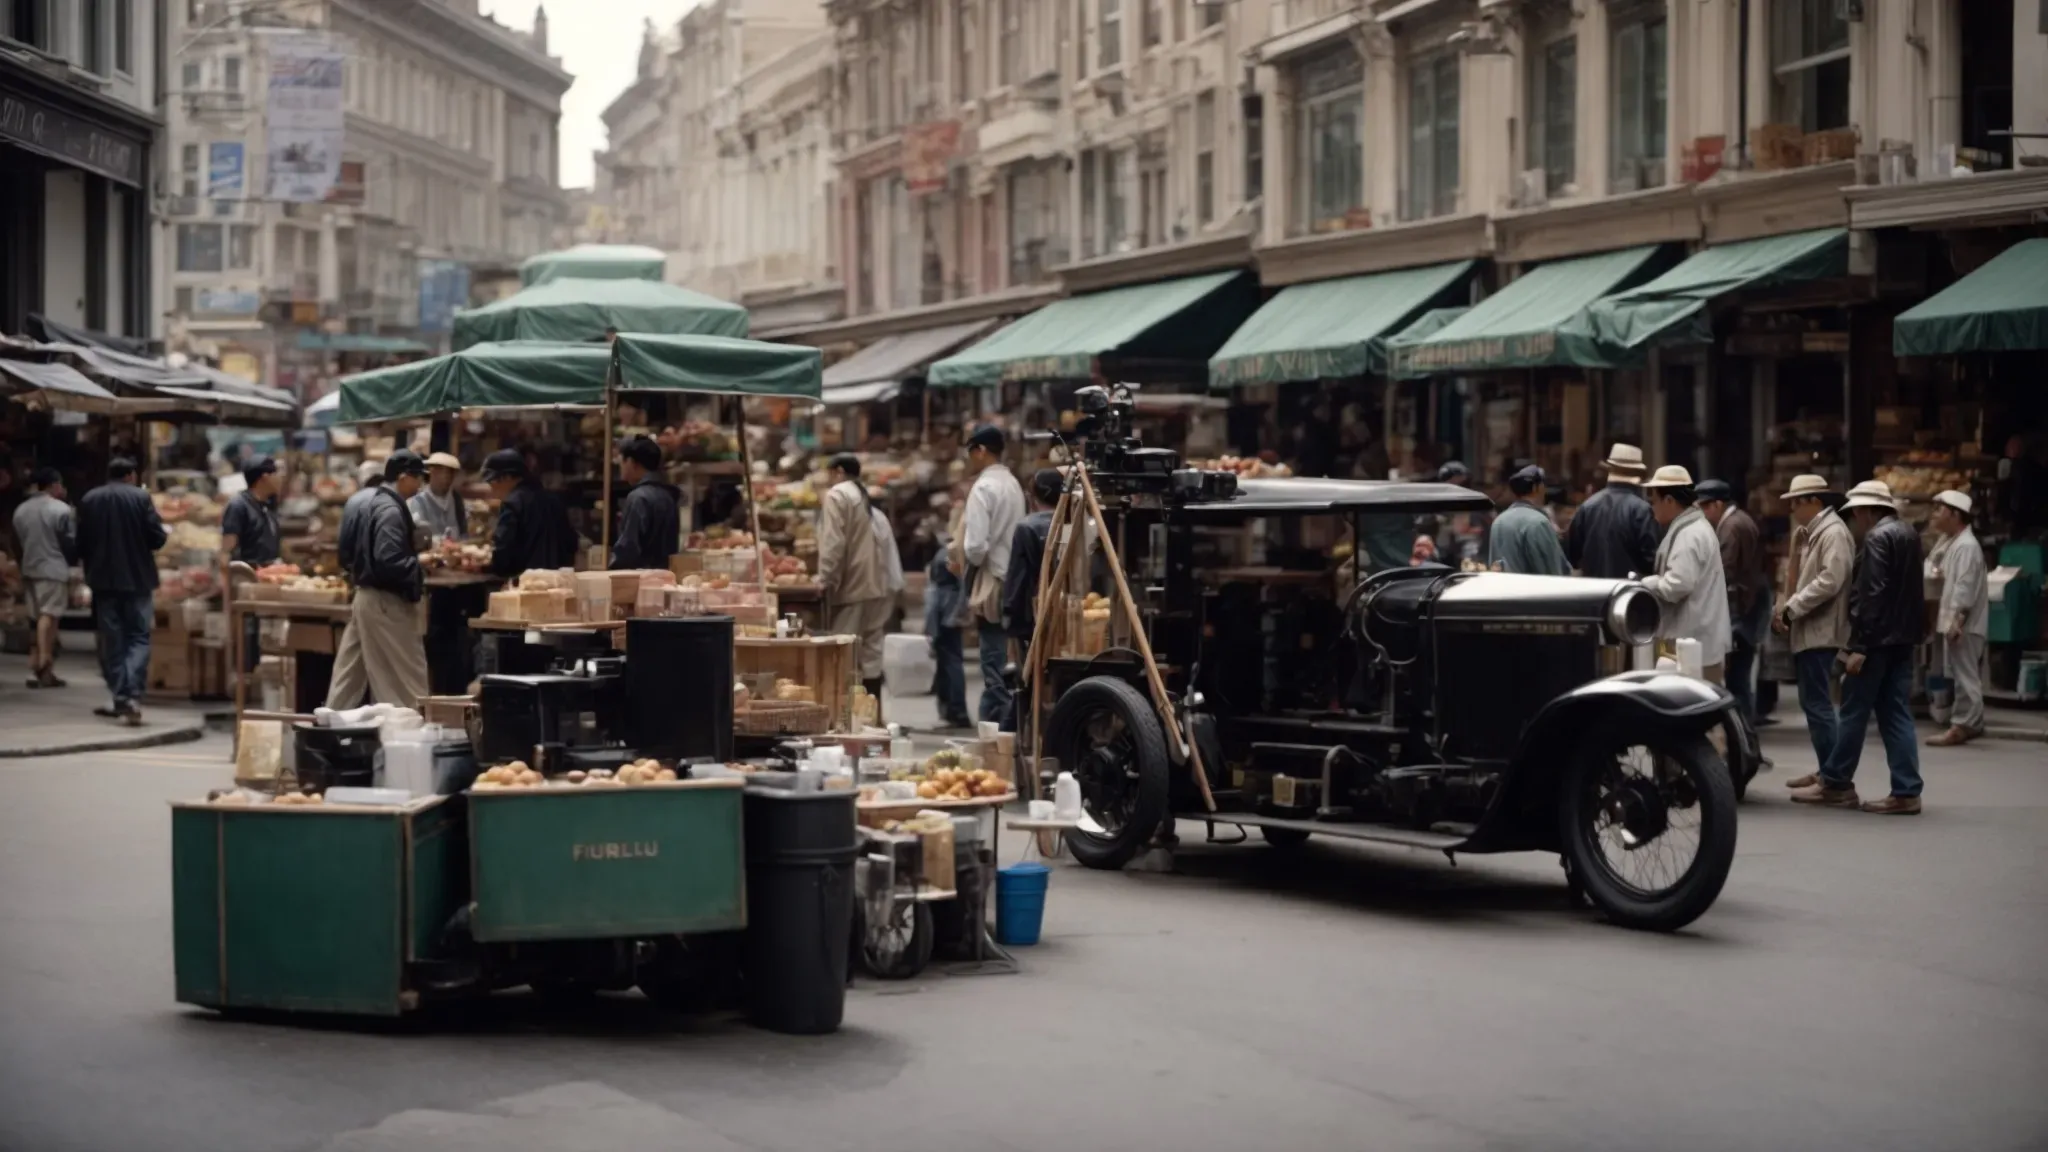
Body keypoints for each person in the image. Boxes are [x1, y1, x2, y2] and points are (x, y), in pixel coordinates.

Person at [1792, 480, 1925, 815]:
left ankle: (1836, 782)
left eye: (1856, 512)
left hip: (1876, 641)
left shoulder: (1878, 538)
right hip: (1902, 639)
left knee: (1853, 710)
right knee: (1895, 713)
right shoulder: (1908, 534)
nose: (1855, 519)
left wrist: (1859, 645)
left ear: (1866, 510)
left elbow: (1873, 596)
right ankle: (1907, 790)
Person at [327, 451, 431, 709]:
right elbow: (388, 560)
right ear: (404, 477)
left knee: (348, 677)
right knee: (408, 683)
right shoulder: (390, 509)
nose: (420, 486)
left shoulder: (373, 501)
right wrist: (422, 563)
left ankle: (328, 734)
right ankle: (410, 741)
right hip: (385, 601)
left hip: (366, 598)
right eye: (418, 479)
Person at [74, 457, 167, 725]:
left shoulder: (90, 499)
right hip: (138, 579)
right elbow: (157, 537)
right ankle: (131, 695)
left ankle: (120, 697)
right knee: (138, 636)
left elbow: (80, 542)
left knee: (112, 639)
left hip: (102, 580)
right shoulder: (140, 498)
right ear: (131, 475)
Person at [1775, 475, 1853, 781]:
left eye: (1797, 501)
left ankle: (1835, 778)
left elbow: (1829, 581)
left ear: (1815, 502)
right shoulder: (1810, 534)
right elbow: (1797, 578)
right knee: (1814, 704)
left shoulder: (1832, 533)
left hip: (1821, 631)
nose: (1793, 508)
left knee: (1819, 705)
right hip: (1811, 629)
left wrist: (1792, 607)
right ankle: (1828, 771)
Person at [955, 425, 1026, 726]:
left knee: (994, 660)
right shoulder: (1012, 483)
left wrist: (964, 560)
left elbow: (975, 546)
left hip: (993, 578)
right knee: (1006, 659)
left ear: (981, 450)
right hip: (1012, 576)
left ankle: (999, 727)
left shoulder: (984, 487)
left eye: (971, 452)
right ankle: (1004, 723)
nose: (970, 459)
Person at [1640, 465, 1730, 682]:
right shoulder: (1692, 527)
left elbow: (1677, 586)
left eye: (1655, 501)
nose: (1652, 508)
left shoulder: (1689, 534)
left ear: (1669, 500)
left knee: (1686, 704)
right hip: (1691, 637)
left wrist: (1647, 583)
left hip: (1688, 643)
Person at [816, 453, 892, 706]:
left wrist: (825, 578)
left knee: (842, 651)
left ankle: (842, 713)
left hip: (853, 585)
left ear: (838, 471)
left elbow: (833, 542)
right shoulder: (862, 494)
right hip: (876, 583)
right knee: (870, 653)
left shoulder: (838, 494)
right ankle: (873, 712)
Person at [1698, 479, 1769, 724]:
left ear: (1717, 505)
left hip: (1741, 612)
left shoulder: (1731, 526)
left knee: (1738, 682)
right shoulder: (1740, 521)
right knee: (1740, 680)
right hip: (1747, 609)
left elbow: (1725, 571)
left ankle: (1745, 740)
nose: (1703, 515)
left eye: (1704, 508)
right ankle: (1746, 739)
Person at [1927, 489, 1988, 747]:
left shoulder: (1966, 546)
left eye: (1939, 510)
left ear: (1954, 515)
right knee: (1961, 673)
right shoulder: (1953, 542)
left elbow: (1965, 587)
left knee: (1965, 675)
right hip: (1957, 621)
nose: (1934, 515)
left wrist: (1957, 622)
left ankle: (1966, 723)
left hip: (1964, 623)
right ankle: (1965, 721)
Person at [12, 467, 75, 688]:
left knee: (36, 618)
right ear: (53, 485)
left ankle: (40, 667)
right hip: (53, 568)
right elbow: (69, 542)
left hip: (29, 567)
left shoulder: (20, 510)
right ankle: (43, 662)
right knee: (50, 616)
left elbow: (18, 541)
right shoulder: (61, 510)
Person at [219, 456, 283, 673]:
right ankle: (243, 681)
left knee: (262, 635)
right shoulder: (238, 505)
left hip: (267, 578)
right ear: (264, 477)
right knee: (247, 633)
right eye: (276, 474)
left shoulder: (267, 505)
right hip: (247, 580)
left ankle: (255, 679)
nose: (279, 478)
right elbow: (227, 547)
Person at [1004, 468, 1065, 674]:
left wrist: (1012, 619)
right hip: (1072, 611)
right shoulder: (1075, 522)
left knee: (1032, 679)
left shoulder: (1027, 528)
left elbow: (1018, 580)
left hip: (1035, 616)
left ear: (1032, 496)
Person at [1565, 443, 1658, 579]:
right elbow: (1650, 561)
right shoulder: (1642, 510)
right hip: (1627, 593)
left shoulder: (1587, 506)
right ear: (1638, 474)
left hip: (1593, 591)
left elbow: (1572, 556)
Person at [483, 449, 576, 578]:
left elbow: (503, 551)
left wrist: (493, 568)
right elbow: (572, 542)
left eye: (492, 482)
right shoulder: (554, 500)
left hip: (527, 583)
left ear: (507, 477)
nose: (492, 488)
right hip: (559, 581)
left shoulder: (512, 503)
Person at [610, 436, 680, 570]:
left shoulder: (638, 498)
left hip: (640, 578)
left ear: (631, 462)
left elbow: (628, 549)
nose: (620, 467)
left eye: (621, 462)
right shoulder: (668, 495)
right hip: (665, 575)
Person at [1487, 465, 1570, 575]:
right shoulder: (1538, 522)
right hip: (1533, 591)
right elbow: (1552, 571)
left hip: (1504, 591)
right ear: (1537, 488)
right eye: (1543, 485)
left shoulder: (1499, 521)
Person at [409, 452, 468, 543]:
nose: (446, 479)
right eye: (441, 472)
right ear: (432, 472)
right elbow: (419, 536)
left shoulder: (456, 499)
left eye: (450, 474)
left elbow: (463, 531)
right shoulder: (419, 501)